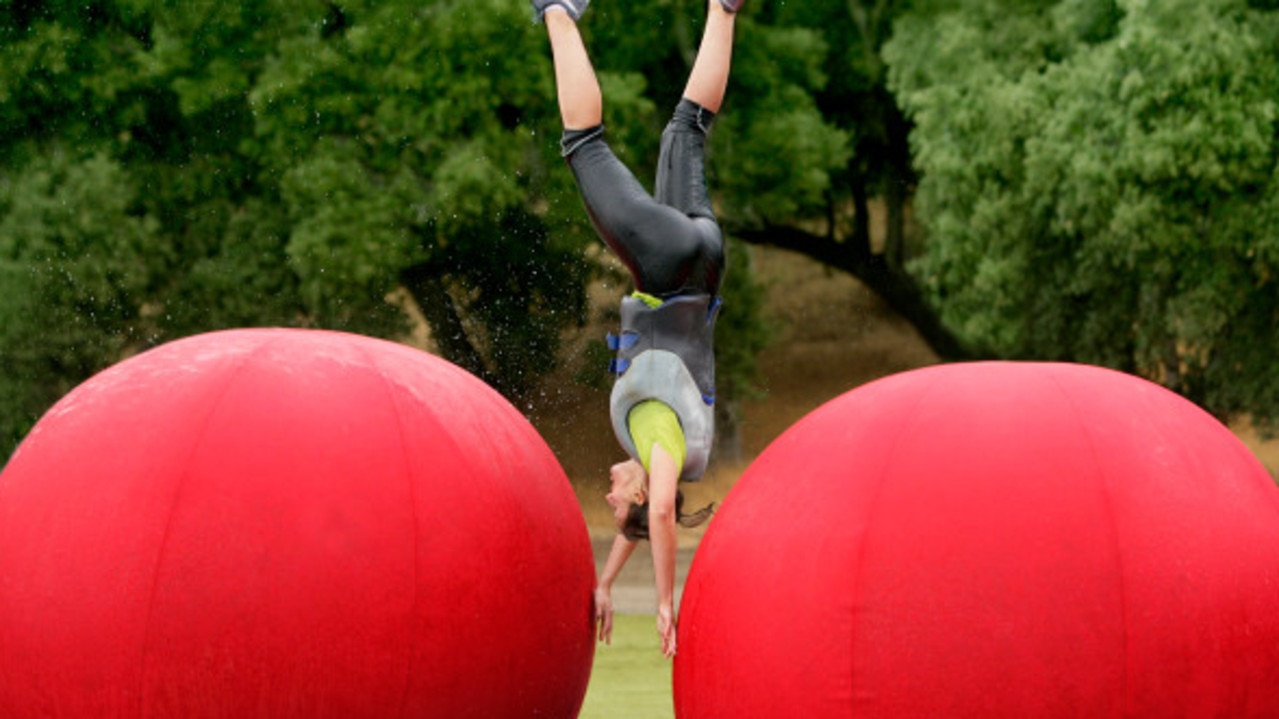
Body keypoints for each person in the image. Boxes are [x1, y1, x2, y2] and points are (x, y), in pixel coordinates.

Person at [532, 0, 741, 658]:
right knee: (583, 144)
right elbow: (652, 515)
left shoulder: (672, 447)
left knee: (687, 128)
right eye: (617, 492)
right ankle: (556, 11)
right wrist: (662, 601)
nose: (608, 487)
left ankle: (724, 8)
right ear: (648, 487)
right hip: (666, 266)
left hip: (705, 259)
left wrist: (604, 581)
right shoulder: (660, 448)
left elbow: (639, 522)